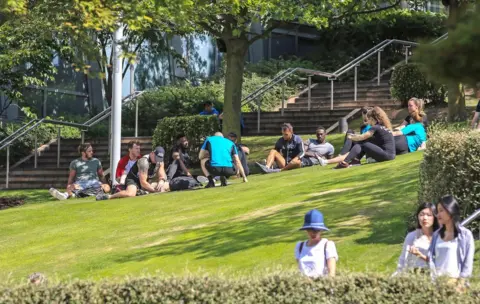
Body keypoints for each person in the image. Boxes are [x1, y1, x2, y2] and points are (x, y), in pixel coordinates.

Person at [321, 106, 395, 169]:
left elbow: (362, 137)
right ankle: (353, 161)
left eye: (369, 119)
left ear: (373, 119)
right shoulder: (384, 127)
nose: (369, 122)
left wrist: (350, 137)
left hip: (387, 155)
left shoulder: (376, 127)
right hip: (390, 155)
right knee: (363, 144)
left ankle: (346, 162)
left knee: (363, 143)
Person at [427, 195, 475, 287]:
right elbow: (431, 260)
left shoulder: (465, 235)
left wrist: (461, 284)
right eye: (437, 211)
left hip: (457, 284)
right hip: (438, 285)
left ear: (450, 211)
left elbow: (467, 264)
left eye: (441, 210)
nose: (438, 215)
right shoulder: (436, 235)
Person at [96, 147, 167, 200]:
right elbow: (143, 183)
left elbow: (162, 174)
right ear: (152, 153)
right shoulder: (144, 162)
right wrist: (155, 191)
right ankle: (109, 196)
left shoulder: (160, 161)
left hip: (146, 181)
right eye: (156, 157)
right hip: (133, 179)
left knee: (166, 186)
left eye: (159, 158)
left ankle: (142, 191)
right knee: (131, 194)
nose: (157, 160)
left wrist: (161, 181)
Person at [395, 202, 439, 274]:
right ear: (418, 217)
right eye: (421, 215)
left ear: (435, 217)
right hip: (417, 277)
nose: (425, 218)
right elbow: (402, 260)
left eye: (429, 215)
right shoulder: (412, 236)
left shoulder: (440, 236)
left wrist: (419, 254)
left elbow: (442, 261)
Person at [295, 209, 338, 278]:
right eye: (310, 230)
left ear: (321, 230)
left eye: (316, 230)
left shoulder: (327, 245)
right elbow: (300, 271)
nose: (313, 233)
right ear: (306, 230)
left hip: (321, 286)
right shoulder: (300, 246)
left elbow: (331, 275)